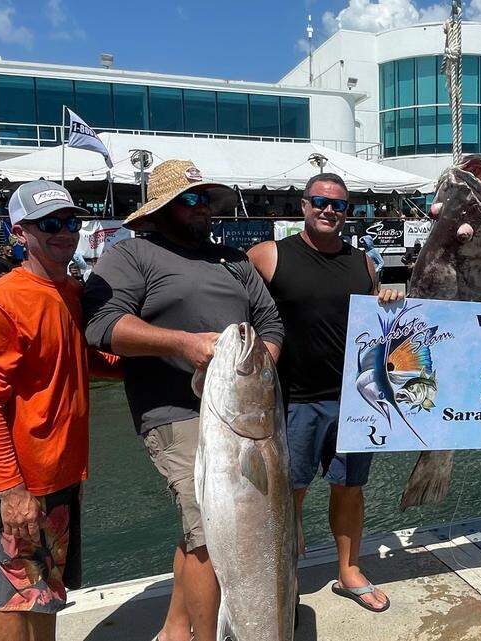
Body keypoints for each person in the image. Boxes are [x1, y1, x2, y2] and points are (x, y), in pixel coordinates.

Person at [82, 160, 284, 641]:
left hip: (247, 411)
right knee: (210, 531)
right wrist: (183, 344)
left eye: (207, 201)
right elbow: (101, 325)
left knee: (210, 525)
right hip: (175, 412)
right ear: (161, 209)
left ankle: (176, 629)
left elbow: (270, 323)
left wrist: (256, 368)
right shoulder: (131, 256)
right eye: (190, 200)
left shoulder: (233, 260)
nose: (202, 210)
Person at [0, 180, 120, 641]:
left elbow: (83, 360)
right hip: (21, 485)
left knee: (47, 593)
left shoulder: (71, 292)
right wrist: (11, 490)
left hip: (64, 478)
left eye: (71, 222)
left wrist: (155, 359)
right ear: (19, 231)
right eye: (50, 223)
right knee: (16, 598)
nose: (64, 232)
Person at [248, 173, 399, 614]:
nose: (329, 210)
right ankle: (284, 577)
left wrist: (386, 299)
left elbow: (380, 323)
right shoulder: (268, 256)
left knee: (350, 488)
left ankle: (349, 571)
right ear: (304, 206)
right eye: (320, 201)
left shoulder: (363, 264)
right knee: (287, 494)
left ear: (347, 212)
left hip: (357, 401)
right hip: (292, 401)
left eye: (339, 205)